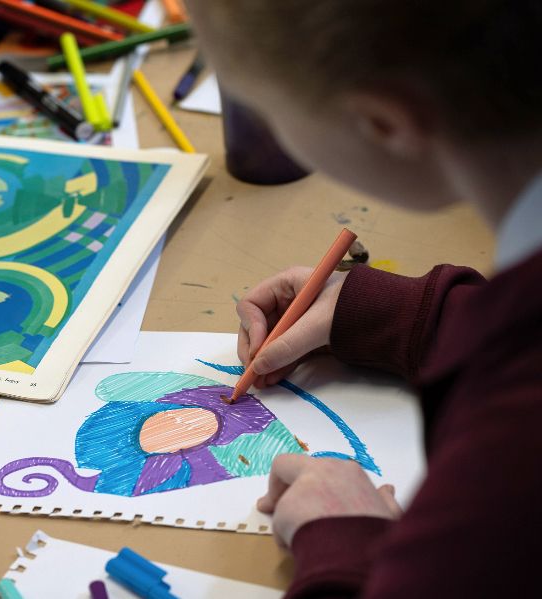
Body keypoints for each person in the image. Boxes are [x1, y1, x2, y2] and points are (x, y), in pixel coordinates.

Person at [186, 1, 542, 597]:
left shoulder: (513, 446)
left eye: (267, 111)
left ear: (383, 123)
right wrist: (410, 316)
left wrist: (349, 544)